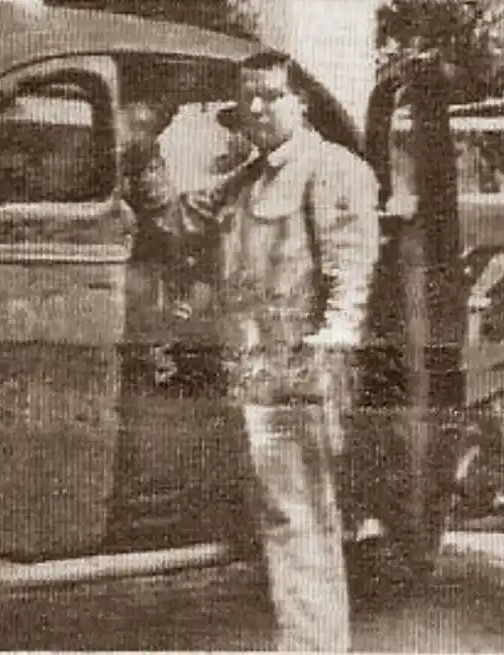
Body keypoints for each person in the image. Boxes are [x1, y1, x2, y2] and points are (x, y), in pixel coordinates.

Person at [159, 53, 381, 652]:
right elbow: (190, 232)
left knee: (302, 525)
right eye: (249, 98)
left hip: (296, 378)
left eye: (272, 95)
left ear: (300, 101)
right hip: (252, 375)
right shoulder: (245, 177)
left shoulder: (331, 169)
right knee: (280, 522)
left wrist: (323, 367)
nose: (257, 108)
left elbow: (349, 281)